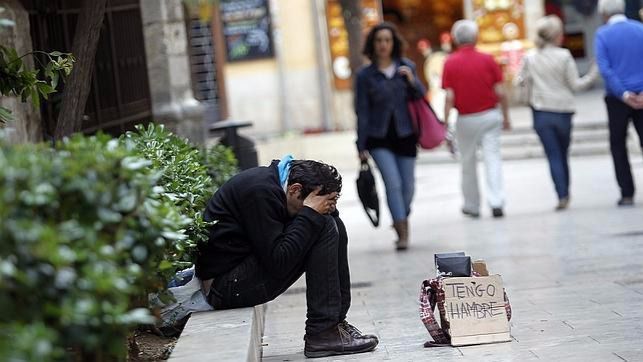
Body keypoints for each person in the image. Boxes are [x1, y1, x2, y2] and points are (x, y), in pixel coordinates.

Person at [195, 156, 379, 358]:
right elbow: (278, 262)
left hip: (242, 273)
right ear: (295, 190)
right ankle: (322, 332)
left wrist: (325, 208)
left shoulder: (281, 184)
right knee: (323, 225)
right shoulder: (259, 192)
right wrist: (310, 212)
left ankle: (335, 324)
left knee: (332, 222)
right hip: (224, 287)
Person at [354, 22, 426, 251]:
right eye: (379, 40)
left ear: (393, 43)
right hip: (378, 138)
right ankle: (402, 231)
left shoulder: (407, 67)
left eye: (387, 40)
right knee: (393, 184)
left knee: (408, 187)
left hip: (406, 135)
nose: (383, 44)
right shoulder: (365, 76)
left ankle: (400, 216)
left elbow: (421, 96)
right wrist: (360, 144)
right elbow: (362, 111)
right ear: (372, 45)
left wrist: (412, 81)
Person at [515, 15, 599, 210]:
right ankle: (565, 191)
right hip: (563, 111)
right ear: (557, 35)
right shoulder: (564, 56)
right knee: (563, 153)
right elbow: (576, 85)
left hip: (541, 111)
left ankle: (562, 194)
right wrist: (594, 72)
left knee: (553, 154)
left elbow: (520, 81)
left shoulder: (530, 58)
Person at [442, 19, 511, 218]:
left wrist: (446, 123)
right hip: (490, 115)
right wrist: (506, 116)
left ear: (455, 39)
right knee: (493, 158)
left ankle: (472, 205)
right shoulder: (488, 59)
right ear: (476, 37)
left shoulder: (450, 63)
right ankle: (496, 201)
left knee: (467, 163)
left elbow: (449, 97)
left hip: (466, 119)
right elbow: (500, 92)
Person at [595, 0, 643, 206]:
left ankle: (627, 192)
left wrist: (623, 93)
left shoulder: (602, 35)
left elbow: (605, 69)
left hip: (617, 98)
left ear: (604, 13)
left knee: (618, 145)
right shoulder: (640, 29)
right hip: (642, 95)